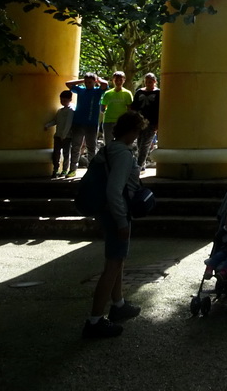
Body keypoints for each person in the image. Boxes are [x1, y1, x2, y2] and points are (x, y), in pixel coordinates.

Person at [82, 110, 147, 339]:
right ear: (132, 130)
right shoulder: (122, 154)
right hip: (115, 213)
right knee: (112, 264)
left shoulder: (110, 148)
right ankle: (95, 319)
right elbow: (114, 190)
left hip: (109, 212)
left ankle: (118, 304)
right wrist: (121, 221)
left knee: (117, 259)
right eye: (138, 130)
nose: (139, 135)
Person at [66, 72, 108, 176]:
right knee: (76, 146)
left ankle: (92, 170)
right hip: (78, 123)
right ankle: (72, 169)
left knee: (91, 147)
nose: (88, 84)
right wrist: (81, 80)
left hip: (91, 124)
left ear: (94, 82)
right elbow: (68, 84)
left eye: (90, 82)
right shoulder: (81, 90)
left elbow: (105, 84)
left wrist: (98, 79)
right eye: (86, 82)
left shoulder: (97, 91)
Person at [130, 72, 160, 172]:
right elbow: (134, 107)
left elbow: (160, 109)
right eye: (147, 82)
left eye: (151, 82)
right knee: (139, 143)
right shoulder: (139, 92)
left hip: (151, 122)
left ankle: (138, 166)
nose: (148, 83)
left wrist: (157, 124)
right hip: (139, 121)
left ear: (155, 82)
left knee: (145, 144)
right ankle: (141, 164)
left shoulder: (158, 93)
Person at [43, 89, 74, 178]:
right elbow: (56, 121)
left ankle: (64, 170)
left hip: (66, 137)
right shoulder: (60, 111)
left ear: (69, 100)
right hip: (58, 135)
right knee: (56, 153)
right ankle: (55, 169)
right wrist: (48, 125)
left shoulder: (70, 111)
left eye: (64, 100)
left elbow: (68, 124)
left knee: (66, 154)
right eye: (61, 100)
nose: (62, 102)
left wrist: (63, 135)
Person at [100, 71, 133, 149]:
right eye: (116, 80)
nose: (118, 82)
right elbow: (102, 108)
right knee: (108, 144)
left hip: (122, 122)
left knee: (123, 144)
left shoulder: (127, 93)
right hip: (108, 121)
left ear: (124, 80)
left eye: (120, 80)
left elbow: (130, 109)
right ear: (113, 80)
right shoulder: (107, 93)